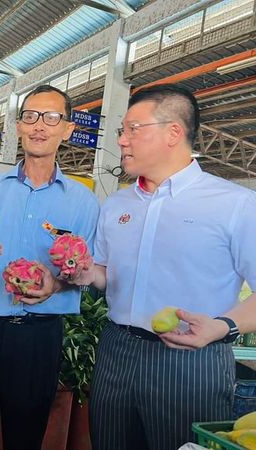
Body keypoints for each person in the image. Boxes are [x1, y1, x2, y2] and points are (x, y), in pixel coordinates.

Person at [72, 84, 256, 450]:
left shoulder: (235, 204)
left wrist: (223, 326)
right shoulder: (117, 204)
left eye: (133, 129)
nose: (122, 140)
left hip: (192, 359)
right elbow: (105, 273)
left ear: (173, 132)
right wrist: (86, 273)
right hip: (116, 351)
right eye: (122, 130)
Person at [0, 85, 100, 450]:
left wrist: (56, 285)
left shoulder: (84, 203)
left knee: (25, 439)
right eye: (30, 116)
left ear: (67, 129)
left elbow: (86, 273)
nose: (39, 126)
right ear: (18, 126)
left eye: (51, 117)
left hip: (38, 340)